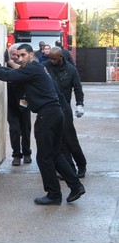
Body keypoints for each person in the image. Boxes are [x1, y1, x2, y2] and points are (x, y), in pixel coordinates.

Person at [0, 44, 85, 205]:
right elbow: (12, 73)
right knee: (55, 154)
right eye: (18, 56)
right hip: (55, 114)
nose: (20, 58)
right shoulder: (34, 68)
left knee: (44, 157)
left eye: (23, 55)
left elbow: (8, 77)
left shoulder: (33, 68)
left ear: (31, 54)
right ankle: (76, 186)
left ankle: (54, 194)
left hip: (47, 115)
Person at [44, 46, 87, 178]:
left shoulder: (71, 70)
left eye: (54, 59)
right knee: (59, 142)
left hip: (64, 107)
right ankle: (69, 169)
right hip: (51, 108)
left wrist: (80, 104)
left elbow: (77, 88)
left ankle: (81, 165)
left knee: (70, 139)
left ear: (60, 57)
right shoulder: (45, 66)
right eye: (50, 58)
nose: (51, 61)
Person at [6, 44, 32, 166]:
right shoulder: (7, 66)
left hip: (25, 103)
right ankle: (16, 155)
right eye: (14, 55)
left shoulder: (26, 67)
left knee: (26, 130)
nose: (17, 57)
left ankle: (27, 153)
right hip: (11, 104)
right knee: (14, 130)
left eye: (20, 55)